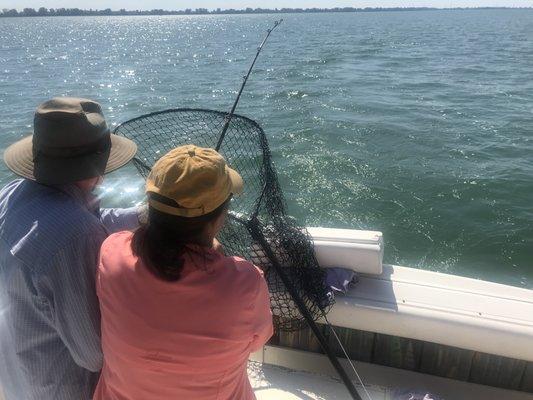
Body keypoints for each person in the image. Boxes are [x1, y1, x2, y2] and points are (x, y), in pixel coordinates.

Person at [94, 145, 273, 400]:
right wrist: (216, 258)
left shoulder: (111, 251)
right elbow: (255, 343)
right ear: (218, 218)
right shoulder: (247, 282)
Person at [0, 97, 138, 400]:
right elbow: (93, 355)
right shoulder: (78, 235)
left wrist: (140, 217)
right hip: (59, 388)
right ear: (97, 166)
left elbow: (84, 218)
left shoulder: (11, 193)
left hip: (14, 373)